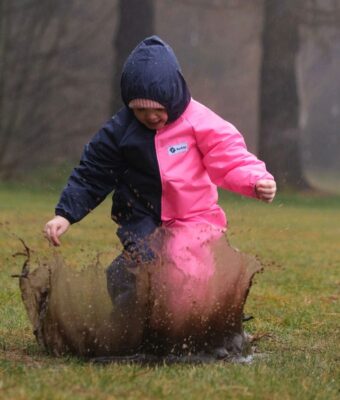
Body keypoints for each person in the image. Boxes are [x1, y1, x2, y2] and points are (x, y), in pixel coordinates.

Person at [44, 36, 276, 336]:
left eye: (158, 109)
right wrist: (65, 214)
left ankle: (195, 330)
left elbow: (228, 155)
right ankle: (132, 329)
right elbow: (92, 173)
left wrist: (255, 180)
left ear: (174, 96)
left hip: (193, 217)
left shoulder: (199, 121)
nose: (150, 116)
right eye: (140, 111)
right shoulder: (120, 131)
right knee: (135, 270)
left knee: (186, 268)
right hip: (141, 217)